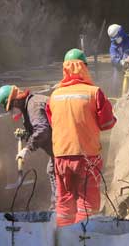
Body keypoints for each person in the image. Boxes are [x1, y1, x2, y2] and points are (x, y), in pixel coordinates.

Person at [46, 48, 117, 226]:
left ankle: (62, 241)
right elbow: (107, 123)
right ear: (84, 67)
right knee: (86, 202)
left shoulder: (54, 95)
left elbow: (54, 123)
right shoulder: (94, 92)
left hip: (61, 157)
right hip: (87, 156)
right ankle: (82, 242)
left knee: (64, 202)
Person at [0, 85, 57, 208]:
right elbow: (44, 127)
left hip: (64, 147)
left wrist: (28, 148)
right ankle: (58, 207)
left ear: (16, 100)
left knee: (55, 172)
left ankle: (59, 210)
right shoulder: (29, 105)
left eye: (11, 107)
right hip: (60, 147)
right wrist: (27, 134)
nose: (12, 111)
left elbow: (43, 130)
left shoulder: (33, 106)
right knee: (52, 170)